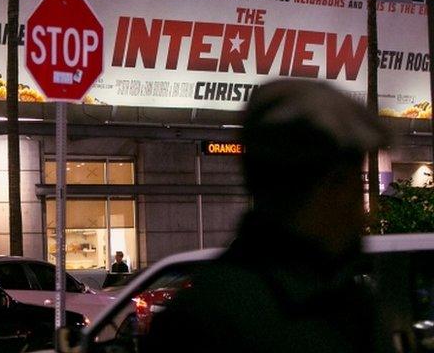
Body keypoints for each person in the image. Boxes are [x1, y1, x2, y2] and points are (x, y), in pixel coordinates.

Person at [144, 80, 394, 353]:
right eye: (355, 186)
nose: (366, 214)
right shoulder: (336, 306)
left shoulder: (201, 312)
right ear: (328, 188)